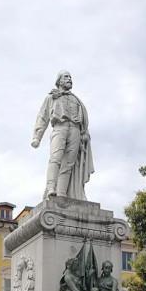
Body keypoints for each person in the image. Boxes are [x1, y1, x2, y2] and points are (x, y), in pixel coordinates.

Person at [31, 71, 94, 199]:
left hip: (75, 130)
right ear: (59, 81)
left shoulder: (76, 100)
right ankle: (51, 188)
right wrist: (37, 137)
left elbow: (84, 120)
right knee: (55, 158)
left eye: (71, 77)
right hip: (60, 127)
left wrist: (84, 132)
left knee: (69, 164)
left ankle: (61, 193)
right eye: (66, 77)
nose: (70, 79)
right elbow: (43, 117)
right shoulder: (52, 97)